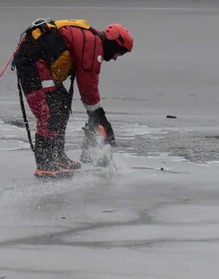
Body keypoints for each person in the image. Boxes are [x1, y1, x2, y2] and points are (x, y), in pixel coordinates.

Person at [13, 19, 133, 178]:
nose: (117, 57)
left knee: (61, 104)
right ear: (114, 43)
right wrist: (98, 116)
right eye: (121, 52)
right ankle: (44, 164)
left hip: (39, 60)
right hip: (32, 60)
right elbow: (87, 85)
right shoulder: (93, 45)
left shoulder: (92, 40)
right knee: (50, 111)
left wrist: (97, 115)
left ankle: (57, 156)